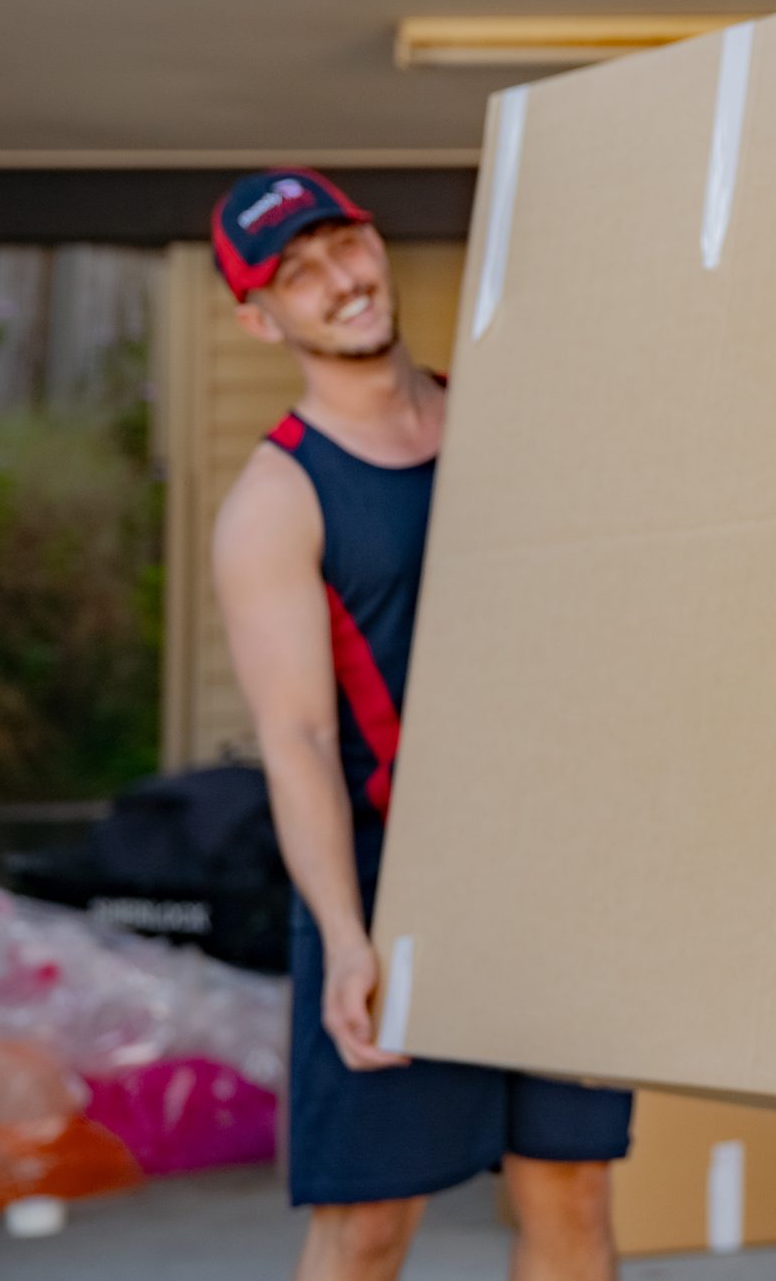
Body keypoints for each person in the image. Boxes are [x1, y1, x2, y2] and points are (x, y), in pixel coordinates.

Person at [208, 170, 632, 1281]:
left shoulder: (504, 426)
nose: (339, 282)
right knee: (369, 1222)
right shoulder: (277, 500)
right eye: (296, 275)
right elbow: (296, 737)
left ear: (376, 242)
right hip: (388, 884)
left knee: (570, 1189)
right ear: (261, 320)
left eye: (343, 245)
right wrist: (348, 939)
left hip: (551, 865)